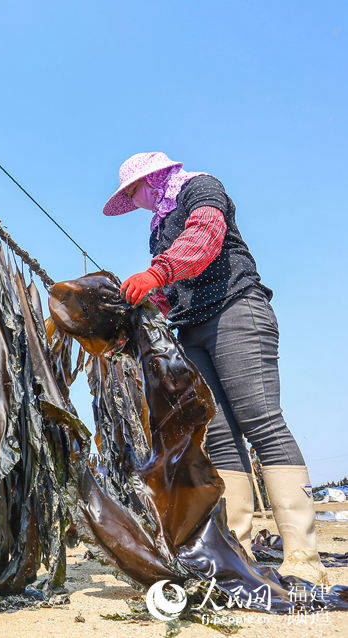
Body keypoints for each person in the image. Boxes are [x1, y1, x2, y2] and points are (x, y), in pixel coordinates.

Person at [102, 152, 327, 583]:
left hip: (237, 310)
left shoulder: (200, 188)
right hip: (193, 328)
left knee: (260, 419)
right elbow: (171, 294)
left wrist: (158, 272)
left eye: (132, 191)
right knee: (220, 435)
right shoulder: (158, 230)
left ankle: (303, 556)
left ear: (152, 180)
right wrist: (136, 317)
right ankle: (237, 548)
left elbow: (205, 239)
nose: (133, 199)